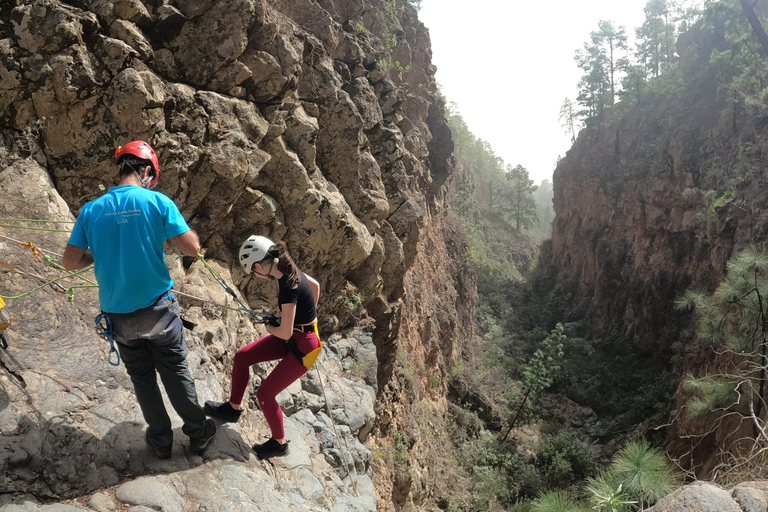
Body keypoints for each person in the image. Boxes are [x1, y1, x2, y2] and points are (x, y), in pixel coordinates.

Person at [62, 140, 216, 459]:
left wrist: (98, 254)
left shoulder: (91, 210)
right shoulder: (156, 202)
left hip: (120, 319)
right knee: (174, 369)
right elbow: (192, 248)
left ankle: (160, 441)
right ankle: (198, 433)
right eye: (152, 176)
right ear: (146, 171)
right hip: (158, 311)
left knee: (142, 378)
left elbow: (69, 262)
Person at [204, 235, 321, 459]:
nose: (256, 275)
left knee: (265, 394)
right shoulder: (286, 265)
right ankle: (233, 408)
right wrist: (309, 316)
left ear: (259, 265)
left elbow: (284, 333)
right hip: (299, 333)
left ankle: (279, 444)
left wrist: (270, 327)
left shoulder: (287, 285)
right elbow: (314, 286)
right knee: (242, 356)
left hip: (304, 346)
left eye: (254, 271)